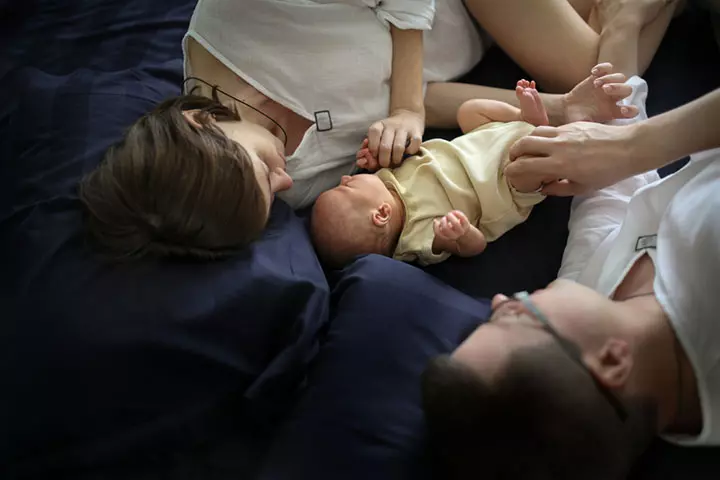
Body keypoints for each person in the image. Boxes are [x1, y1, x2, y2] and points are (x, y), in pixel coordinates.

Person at [79, 0, 677, 259]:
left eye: (263, 173)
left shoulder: (242, 18)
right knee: (601, 83)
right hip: (484, 33)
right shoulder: (308, 185)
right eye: (273, 198)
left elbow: (408, 102)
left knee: (594, 60)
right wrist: (554, 108)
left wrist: (405, 110)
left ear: (196, 122)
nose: (288, 183)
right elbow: (428, 99)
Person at [420, 16, 720, 478]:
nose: (501, 298)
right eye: (518, 316)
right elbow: (622, 156)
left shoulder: (589, 296)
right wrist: (635, 147)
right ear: (613, 360)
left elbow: (607, 194)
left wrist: (624, 26)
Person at [310, 66, 636, 268]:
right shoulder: (416, 238)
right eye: (346, 187)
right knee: (524, 170)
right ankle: (553, 134)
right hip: (499, 185)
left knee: (469, 110)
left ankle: (528, 122)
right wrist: (460, 235)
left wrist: (375, 157)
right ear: (381, 215)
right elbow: (474, 246)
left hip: (480, 141)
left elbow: (400, 149)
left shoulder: (385, 180)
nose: (344, 177)